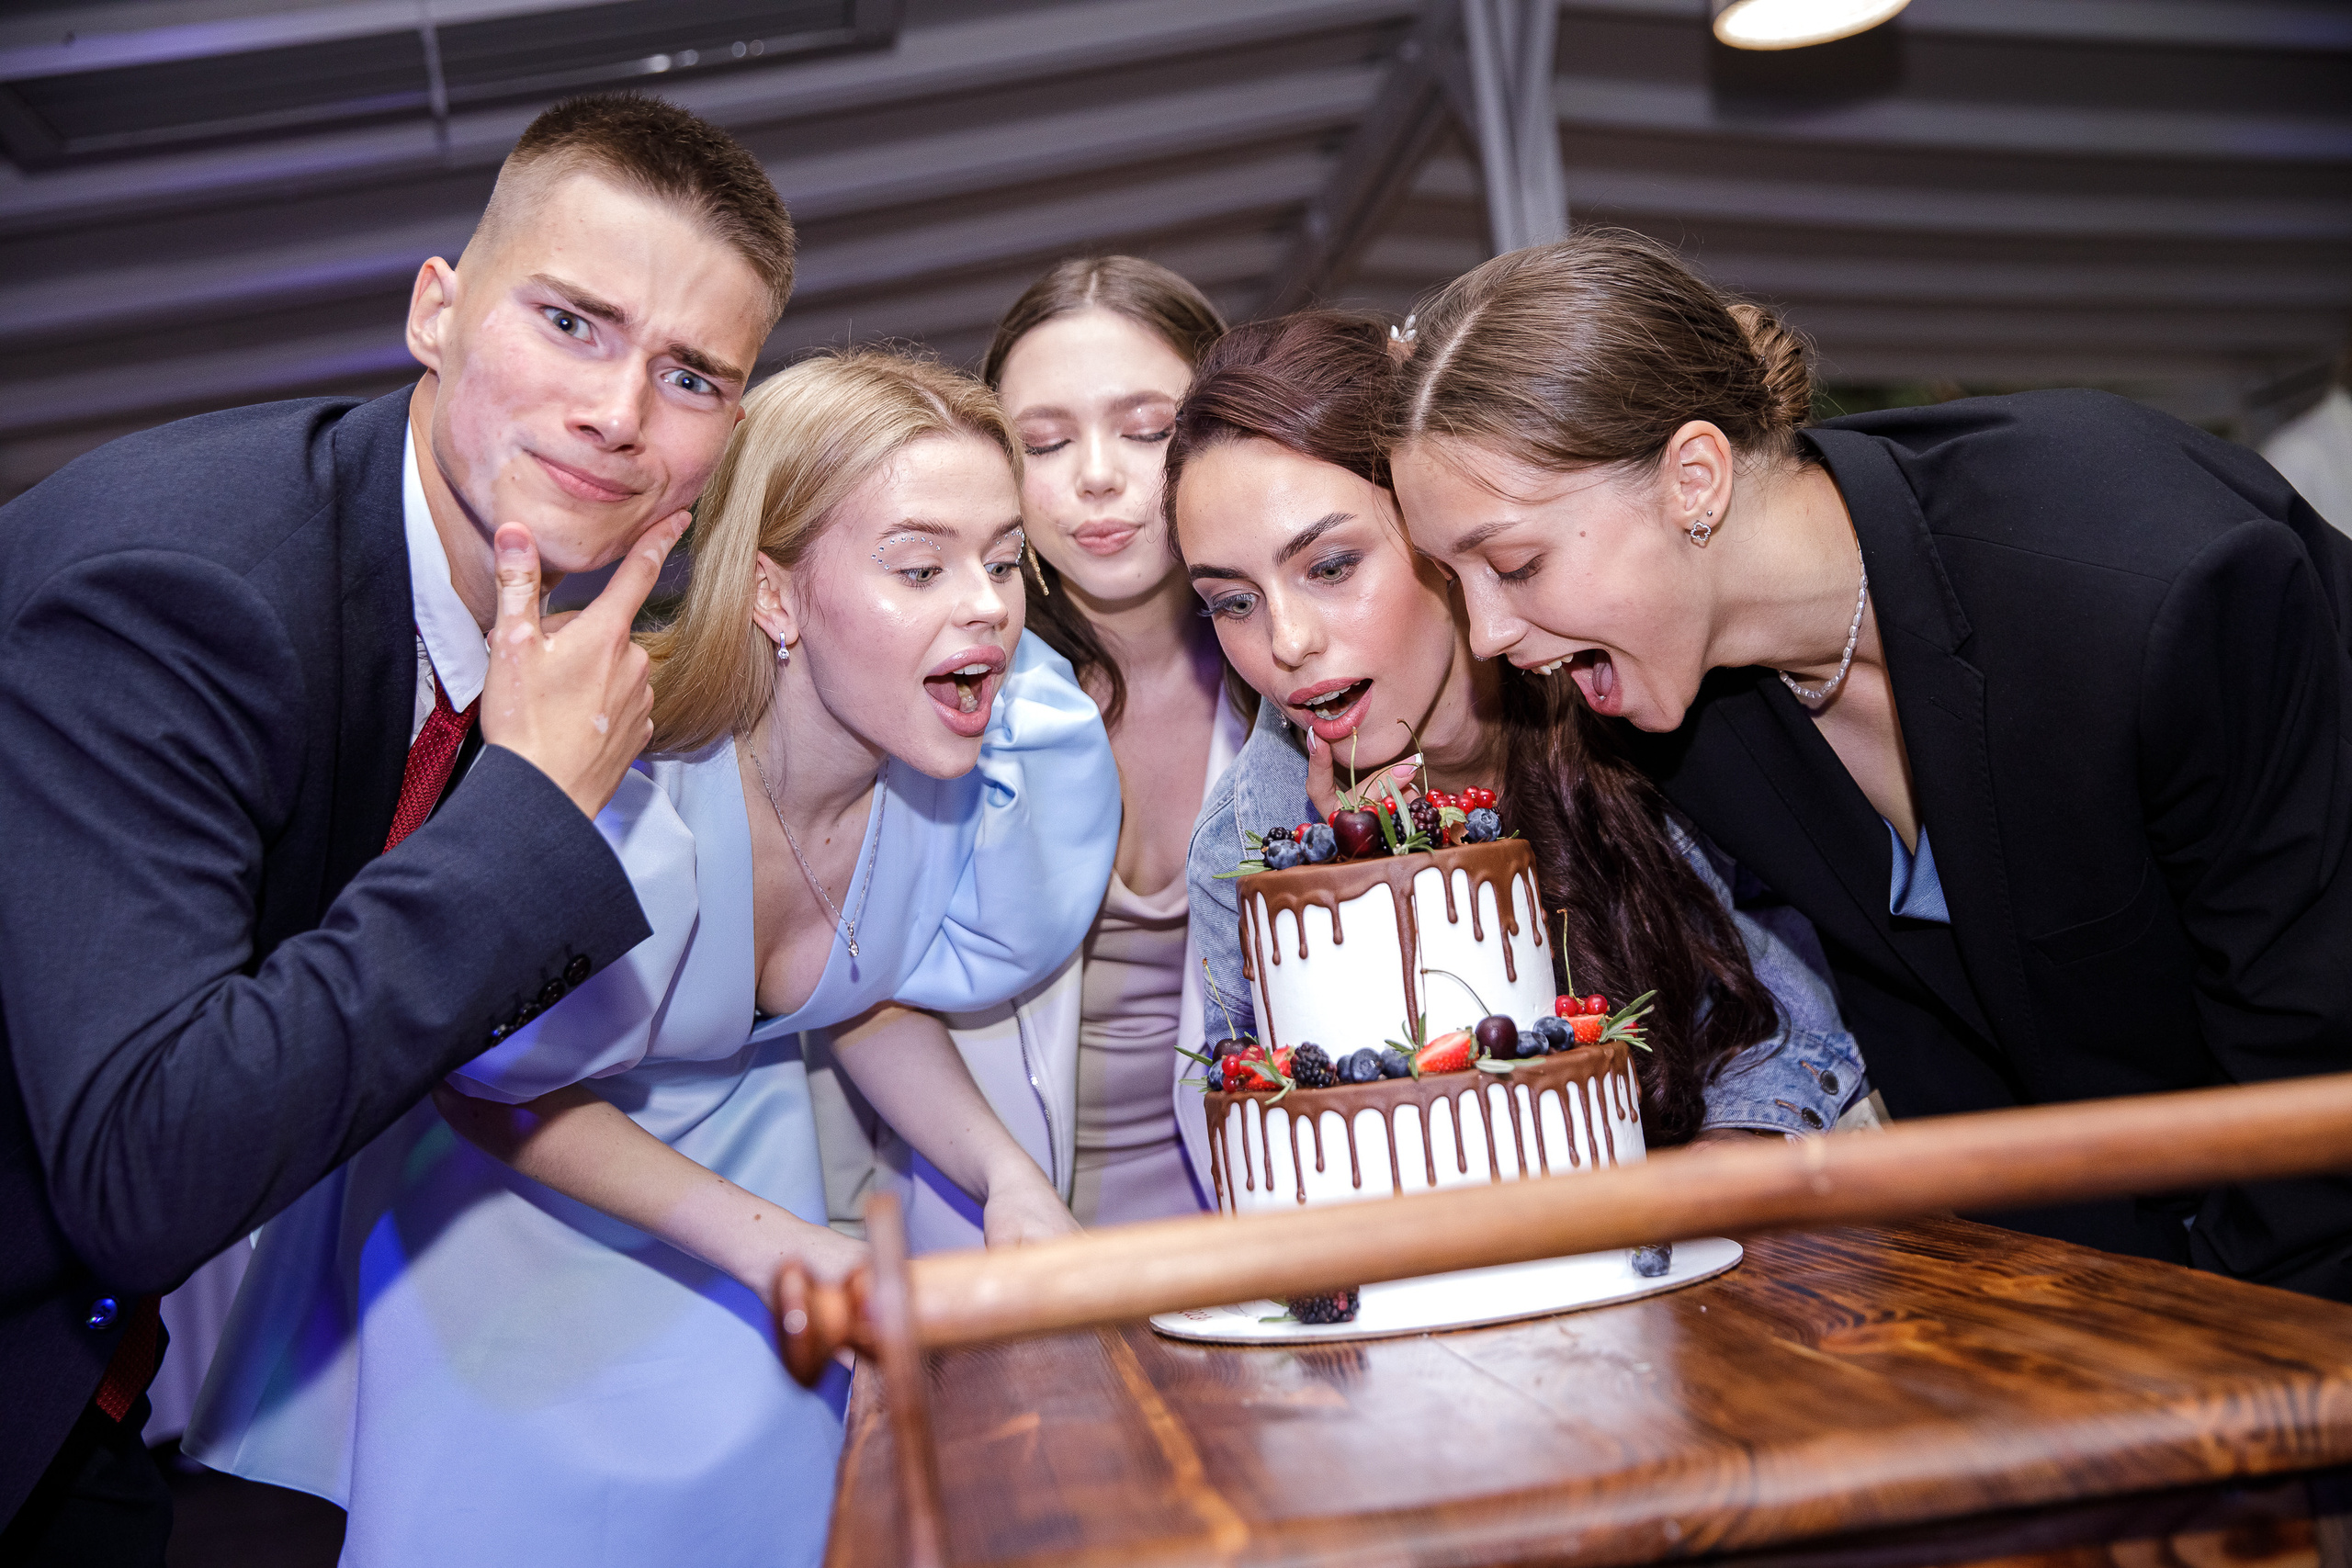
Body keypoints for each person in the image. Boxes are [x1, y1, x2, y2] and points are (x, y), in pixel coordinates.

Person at [0, 92, 785, 1562]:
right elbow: (147, 1166)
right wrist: (534, 808)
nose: (618, 413)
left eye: (691, 375)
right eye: (572, 323)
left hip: (78, 1387)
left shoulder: (518, 630)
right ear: (437, 310)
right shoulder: (184, 588)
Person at [186, 347, 1113, 1566]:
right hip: (512, 1225)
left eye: (1002, 560)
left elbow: (865, 989)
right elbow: (482, 1083)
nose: (991, 605)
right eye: (921, 564)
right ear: (774, 598)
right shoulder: (630, 792)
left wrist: (1009, 1179)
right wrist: (778, 1244)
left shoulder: (948, 783)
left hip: (741, 1187)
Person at [1390, 231, 2352, 1293]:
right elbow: (1947, 1059)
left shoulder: (2149, 590)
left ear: (1694, 479)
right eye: (1454, 578)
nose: (1484, 634)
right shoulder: (1673, 707)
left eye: (1514, 563)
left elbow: (2312, 1041)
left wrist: (2241, 1363)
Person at [1173, 311, 1866, 1149]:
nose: (1287, 642)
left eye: (1330, 567)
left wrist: (1669, 1210)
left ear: (1442, 537)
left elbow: (1801, 1024)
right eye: (1232, 602)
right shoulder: (1245, 842)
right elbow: (1297, 1153)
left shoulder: (1631, 682)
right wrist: (1373, 893)